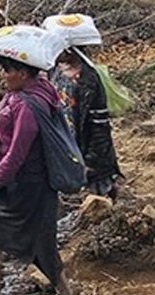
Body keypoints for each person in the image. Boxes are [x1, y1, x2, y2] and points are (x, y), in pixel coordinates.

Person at [0, 55, 78, 295]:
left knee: (40, 242)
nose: (4, 75)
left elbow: (17, 154)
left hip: (30, 183)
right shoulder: (24, 93)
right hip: (17, 179)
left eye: (8, 70)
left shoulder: (29, 105)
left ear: (24, 73)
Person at [50, 48, 122, 199]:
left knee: (96, 188)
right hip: (65, 140)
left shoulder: (89, 79)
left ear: (71, 49)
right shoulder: (56, 70)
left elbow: (99, 125)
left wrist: (92, 159)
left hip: (87, 145)